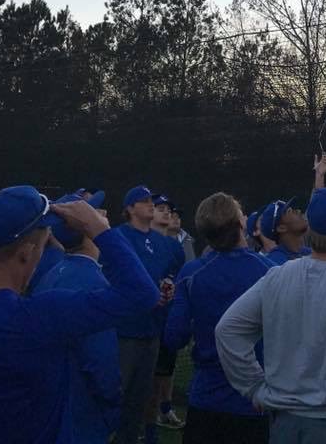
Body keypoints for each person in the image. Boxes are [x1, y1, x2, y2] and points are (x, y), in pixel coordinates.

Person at [0, 186, 159, 444]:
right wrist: (100, 231)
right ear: (27, 253)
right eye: (44, 244)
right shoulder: (41, 316)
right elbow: (143, 294)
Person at [216, 184, 326, 443]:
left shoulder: (277, 276)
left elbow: (227, 330)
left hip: (283, 426)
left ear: (310, 229)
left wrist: (255, 389)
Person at [165, 192, 274, 444]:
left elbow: (174, 338)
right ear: (240, 224)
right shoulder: (267, 270)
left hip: (207, 400)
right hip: (255, 401)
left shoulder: (192, 273)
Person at [33, 190, 123, 444]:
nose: (103, 216)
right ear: (87, 228)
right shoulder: (92, 280)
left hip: (52, 405)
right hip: (84, 413)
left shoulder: (54, 272)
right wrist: (112, 412)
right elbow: (100, 363)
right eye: (95, 212)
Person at [115, 185, 185, 444]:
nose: (149, 204)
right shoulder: (119, 236)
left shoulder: (166, 244)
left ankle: (134, 436)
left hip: (153, 327)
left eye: (150, 201)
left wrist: (168, 288)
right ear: (129, 208)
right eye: (142, 201)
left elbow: (171, 275)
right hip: (126, 328)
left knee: (142, 393)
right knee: (117, 391)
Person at [148, 193, 187, 434]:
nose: (166, 212)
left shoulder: (175, 247)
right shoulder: (139, 240)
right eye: (159, 207)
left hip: (167, 317)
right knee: (143, 378)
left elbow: (177, 277)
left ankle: (159, 416)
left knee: (164, 372)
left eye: (168, 208)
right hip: (143, 321)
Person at [259, 199, 311, 265]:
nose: (298, 211)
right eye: (289, 211)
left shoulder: (310, 253)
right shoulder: (275, 264)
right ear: (281, 228)